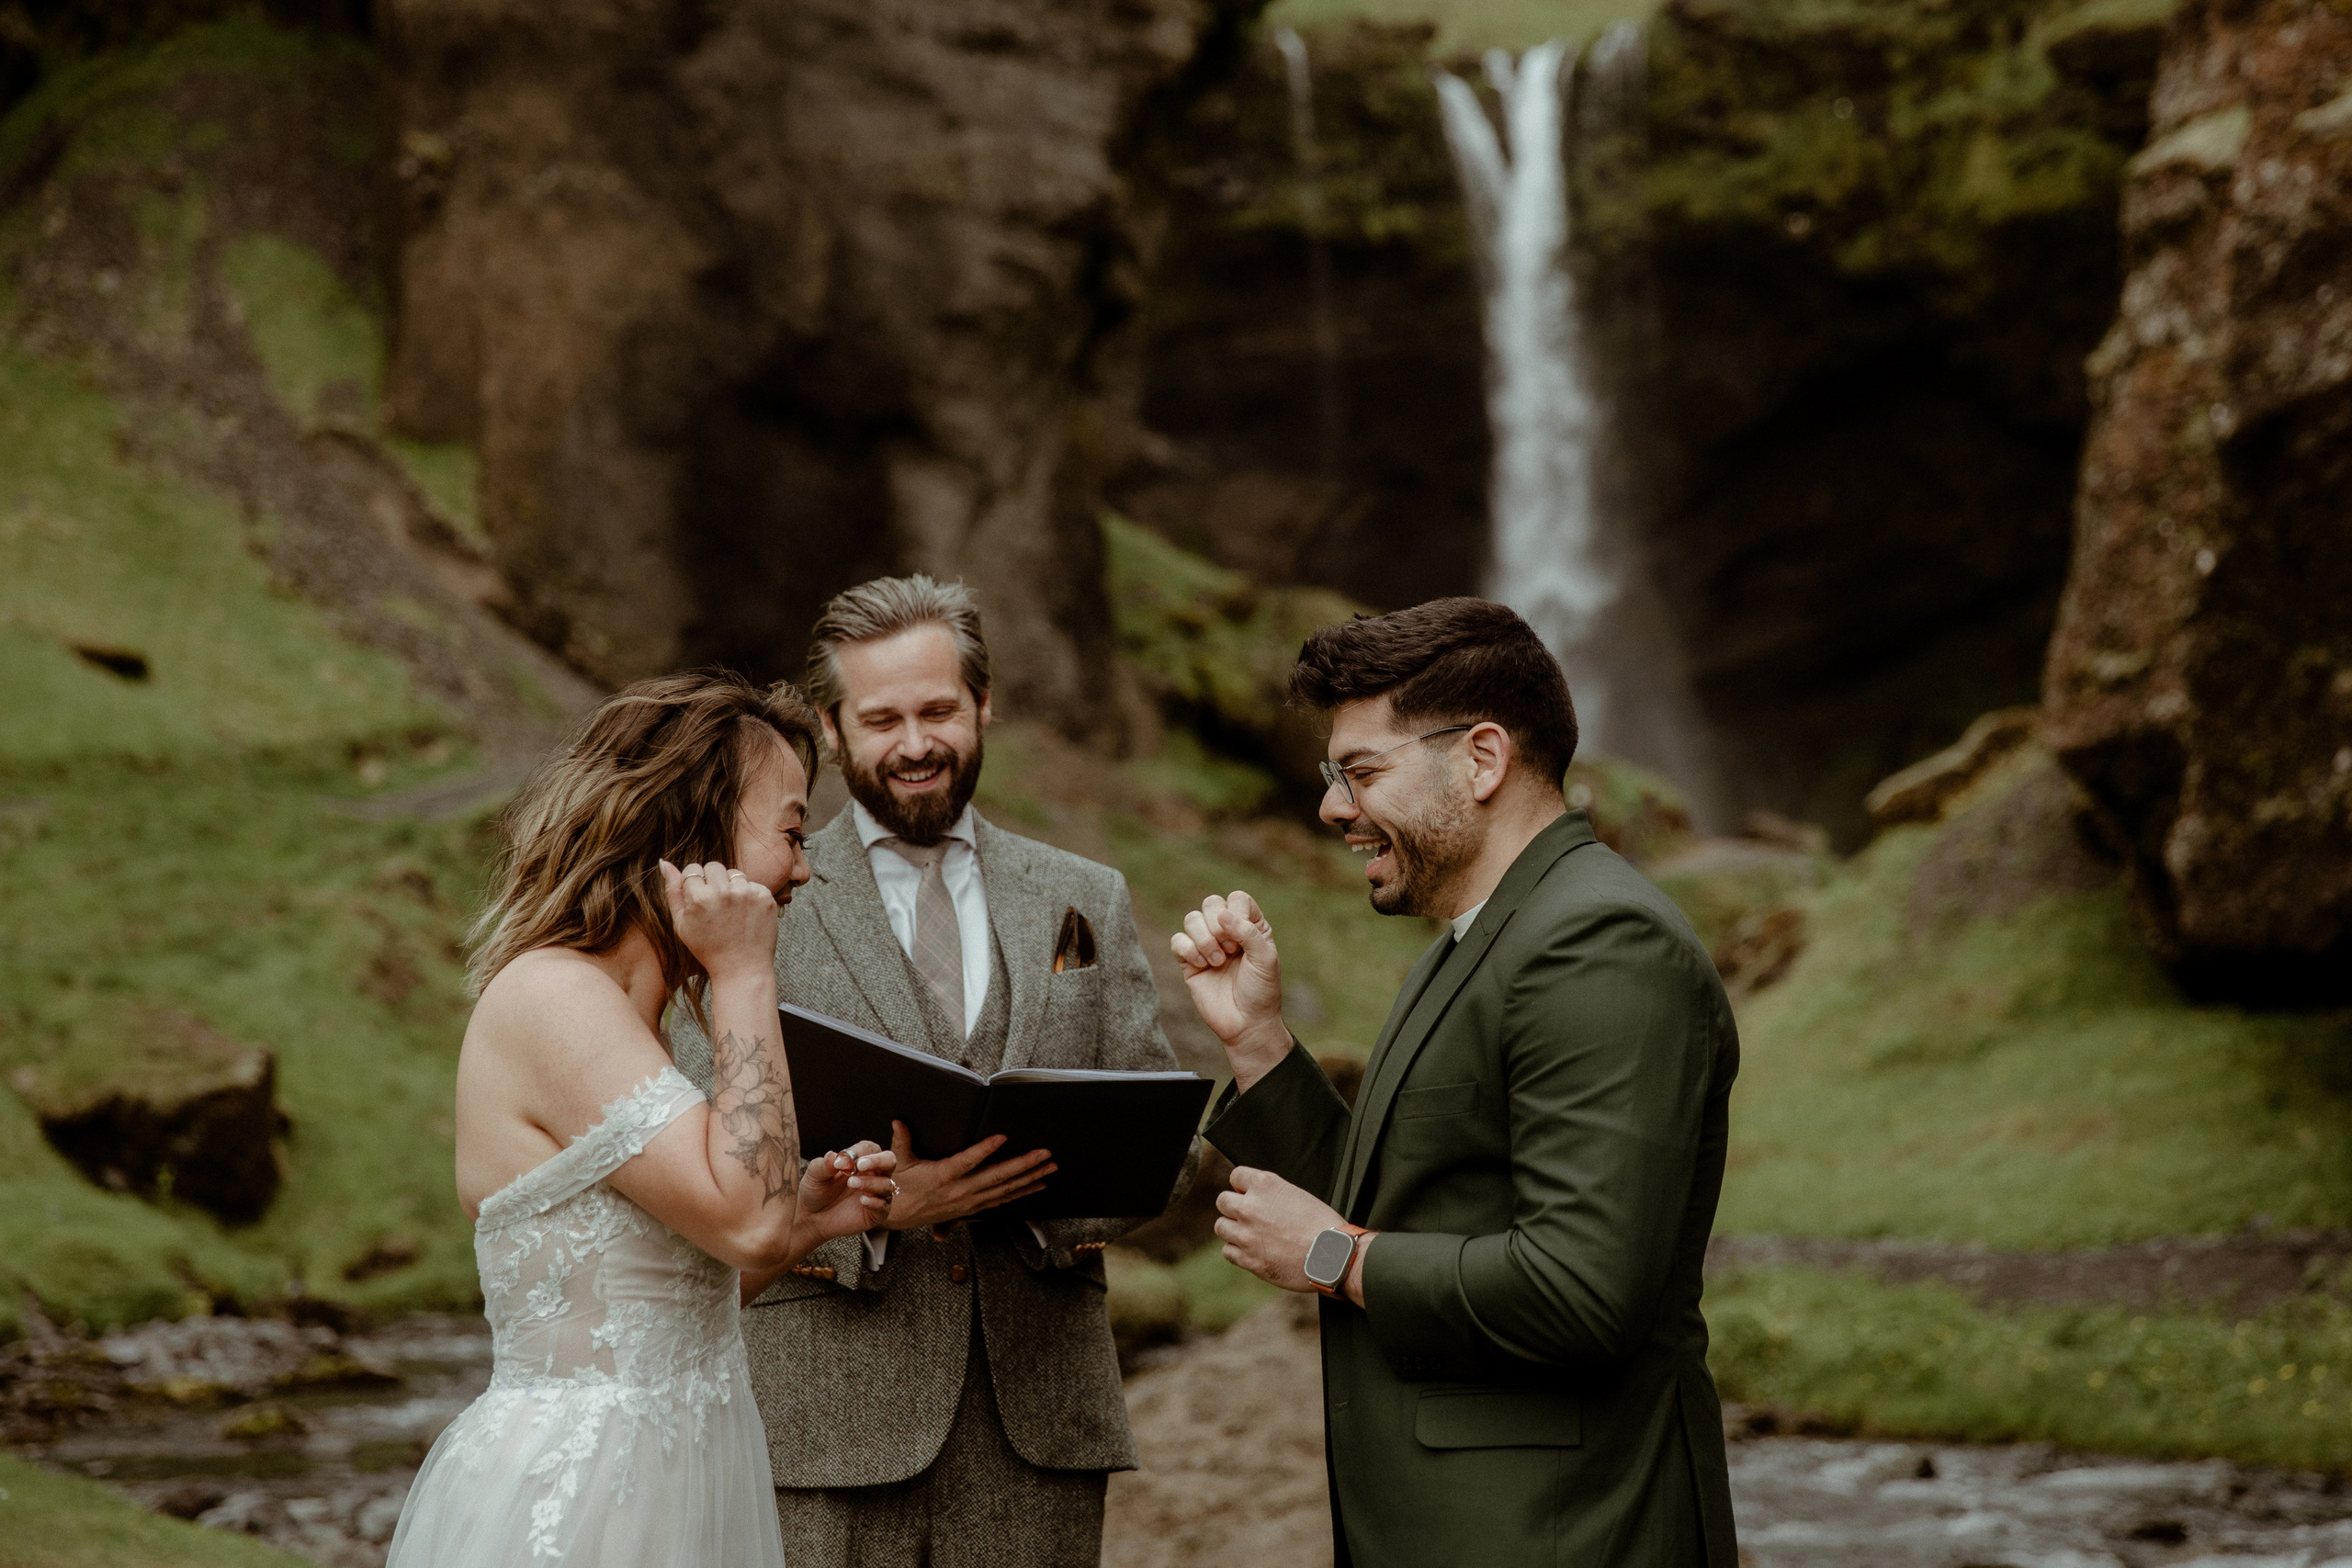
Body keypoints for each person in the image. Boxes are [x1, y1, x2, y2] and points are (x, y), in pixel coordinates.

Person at [1172, 598, 1741, 1567]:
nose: (1332, 808)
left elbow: (1581, 1290)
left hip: (1564, 1534)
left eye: (1359, 772)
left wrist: (1329, 1258)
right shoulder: (1478, 939)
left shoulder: (1600, 942)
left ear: (1481, 758)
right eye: (1329, 774)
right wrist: (1259, 1040)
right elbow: (1397, 1199)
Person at [669, 574, 1196, 1568]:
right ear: (832, 730)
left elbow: (1157, 1145)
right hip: (818, 1423)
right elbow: (700, 1163)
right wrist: (869, 1208)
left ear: (983, 706)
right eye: (882, 719)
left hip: (1040, 1424)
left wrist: (1033, 1199)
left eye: (938, 710)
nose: (916, 744)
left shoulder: (1087, 898)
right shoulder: (751, 905)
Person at [389, 672, 898, 1568]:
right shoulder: (555, 998)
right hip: (581, 1508)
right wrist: (743, 973)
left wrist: (802, 1224)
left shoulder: (629, 1019)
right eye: (788, 832)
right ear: (695, 832)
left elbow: (664, 1302)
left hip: (683, 1483)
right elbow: (746, 1216)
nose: (802, 867)